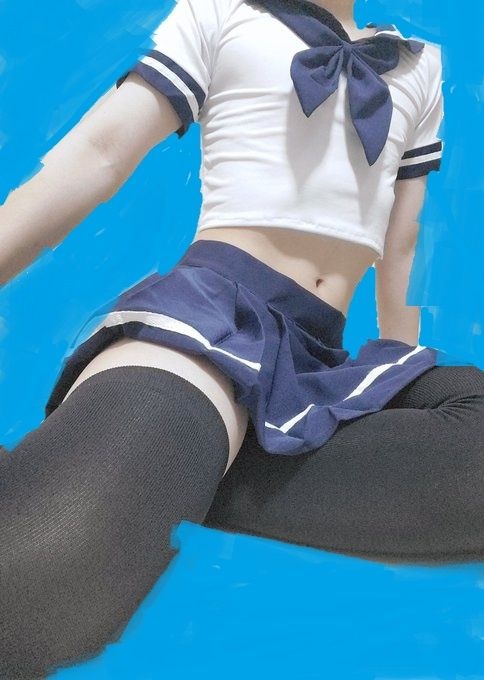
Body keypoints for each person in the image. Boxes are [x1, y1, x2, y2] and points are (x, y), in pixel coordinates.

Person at [0, 0, 482, 676]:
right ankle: (148, 461)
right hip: (212, 319)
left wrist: (397, 364)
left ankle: (161, 472)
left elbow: (400, 241)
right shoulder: (220, 12)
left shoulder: (417, 66)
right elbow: (98, 155)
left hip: (319, 356)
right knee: (41, 587)